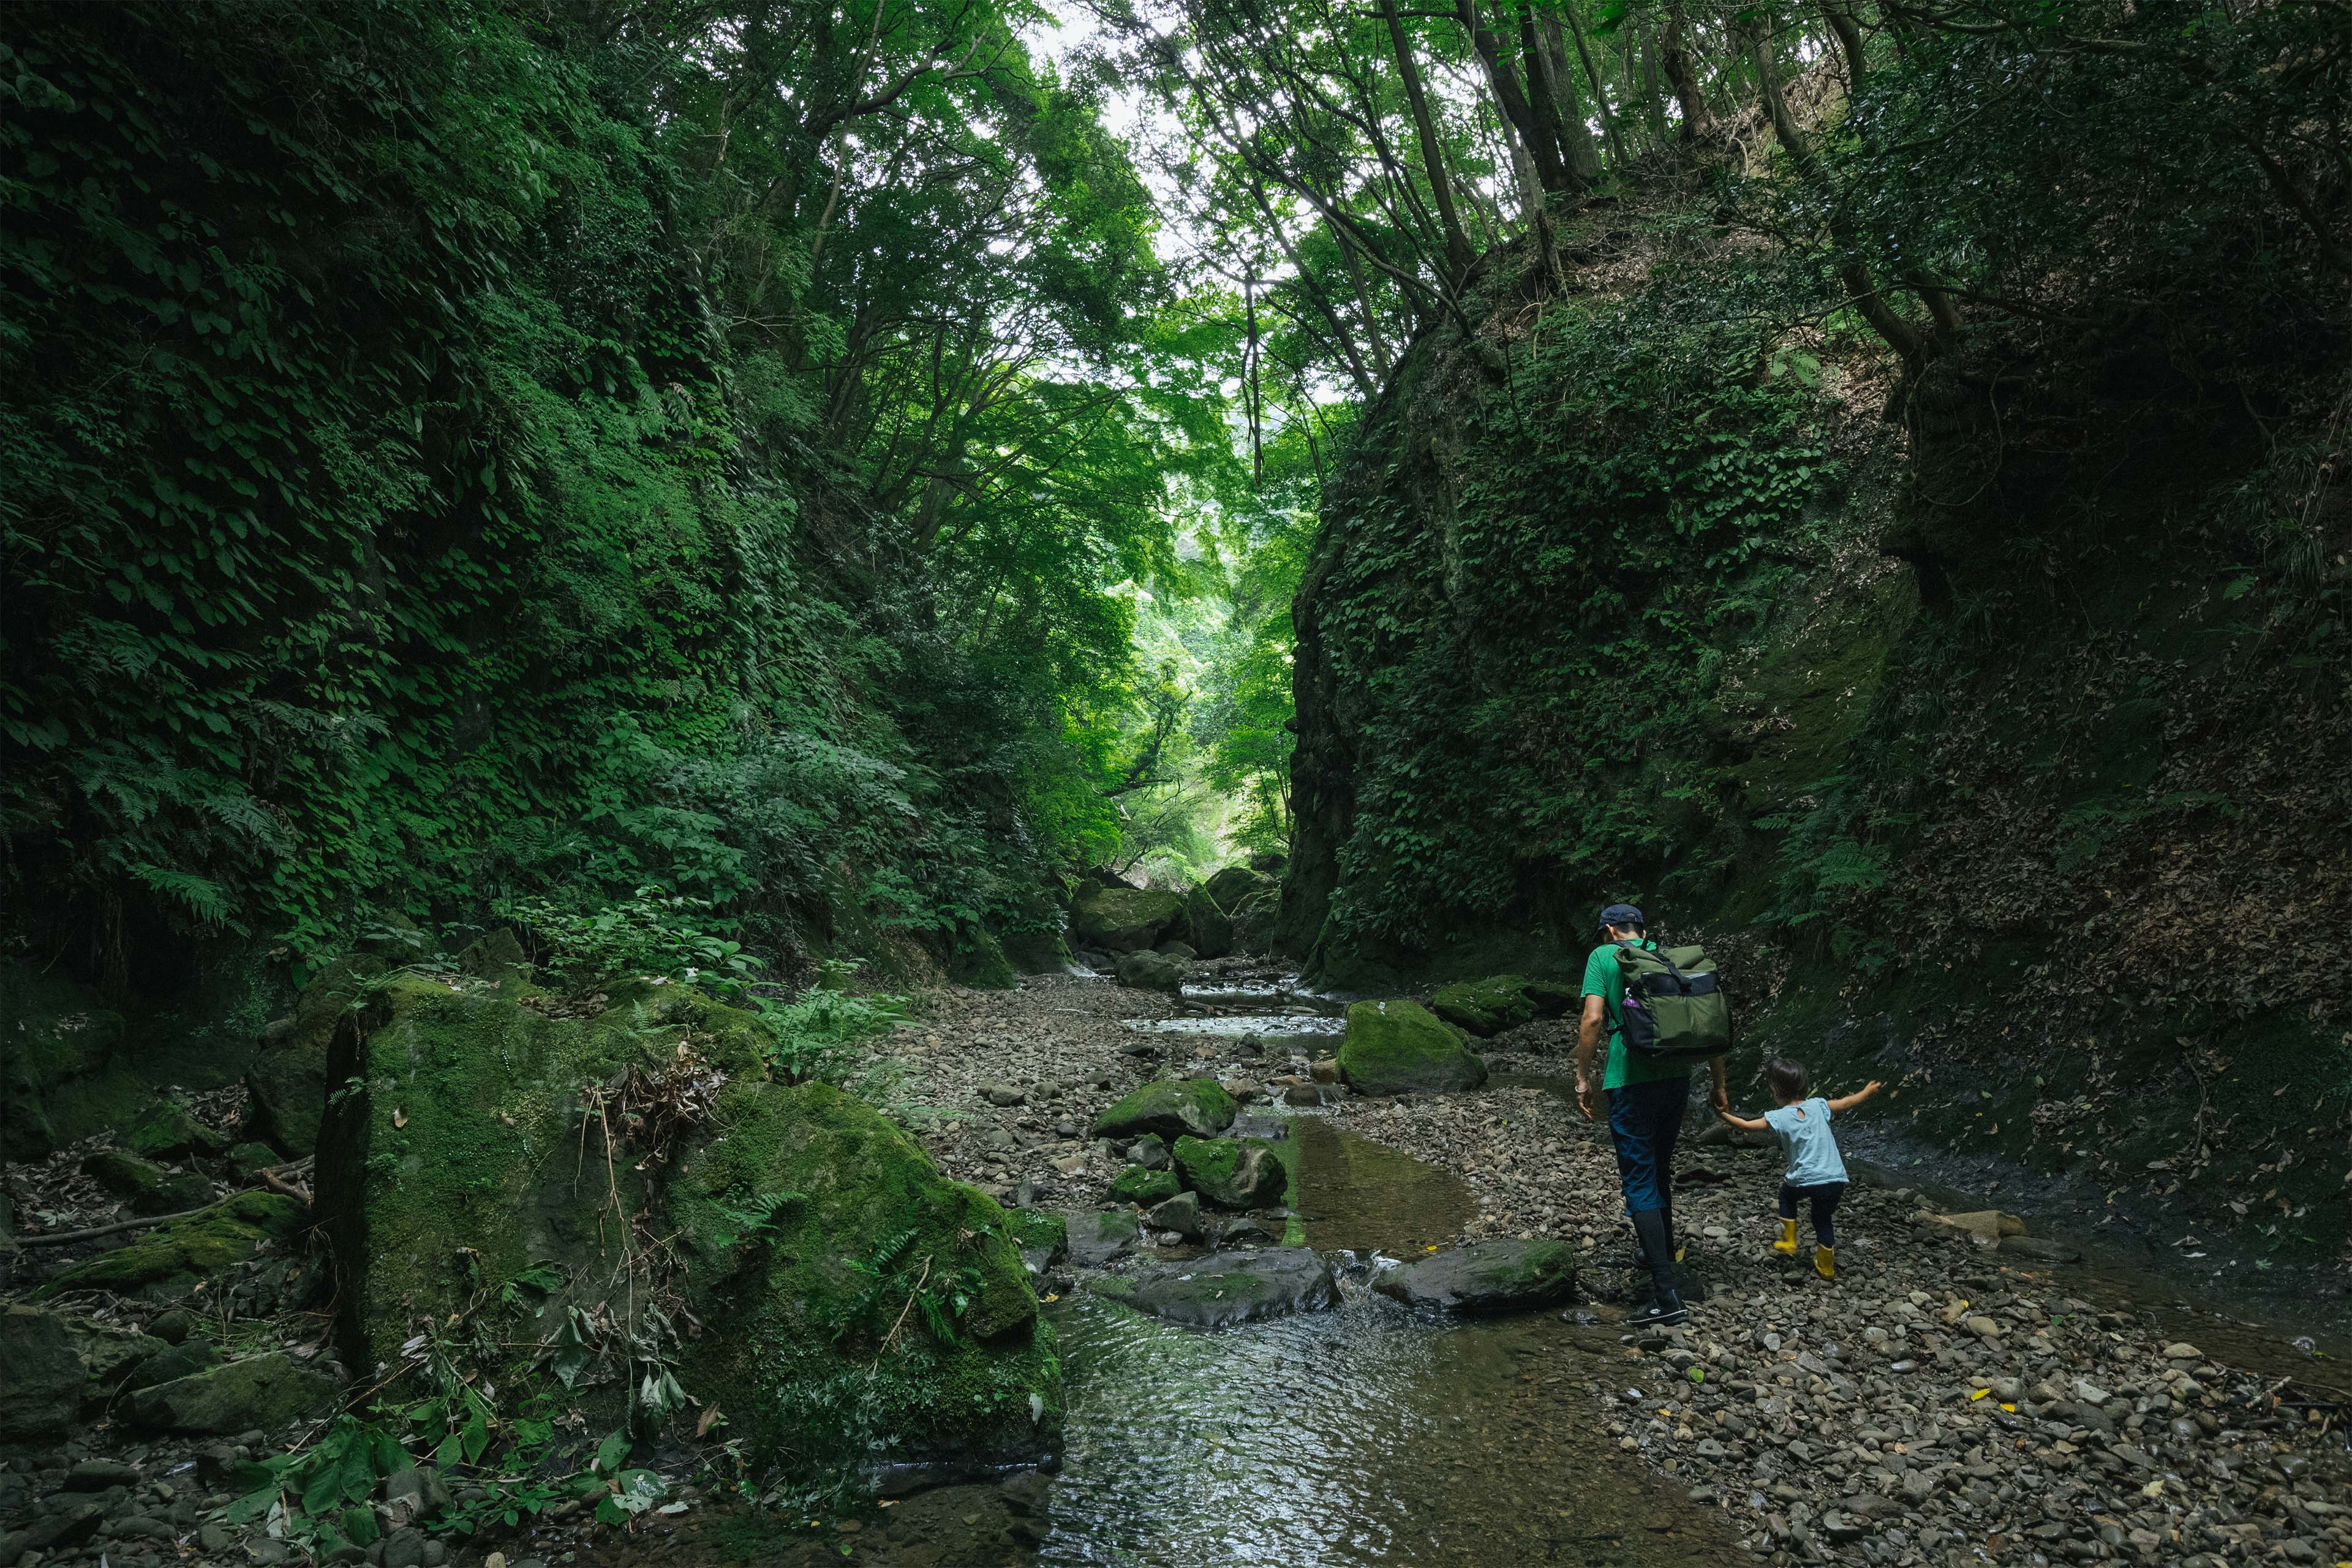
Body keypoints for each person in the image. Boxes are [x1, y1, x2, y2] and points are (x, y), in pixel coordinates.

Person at [1574, 902, 1729, 1327]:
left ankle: (1667, 1295)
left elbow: (1592, 1021)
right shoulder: (1666, 957)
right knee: (1660, 1168)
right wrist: (1719, 1084)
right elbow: (1706, 1022)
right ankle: (1657, 1252)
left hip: (1629, 1081)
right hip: (1677, 1079)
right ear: (1641, 929)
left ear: (1609, 930)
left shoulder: (1603, 957)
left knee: (1639, 1177)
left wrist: (1582, 1078)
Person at [1715, 1057, 1882, 1280]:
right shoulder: (1818, 1105)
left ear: (1775, 1090)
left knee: (1786, 1197)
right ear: (1805, 1085)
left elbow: (1746, 1126)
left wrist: (1722, 1114)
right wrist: (1866, 1092)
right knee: (1823, 1220)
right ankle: (1826, 1266)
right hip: (1835, 1179)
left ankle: (1789, 1240)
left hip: (1803, 1179)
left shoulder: (1779, 1116)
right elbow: (1845, 1103)